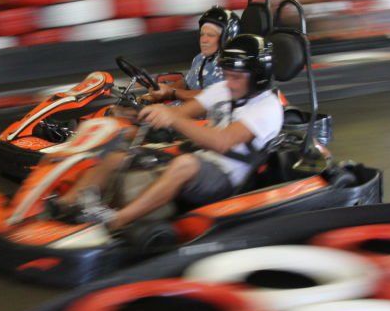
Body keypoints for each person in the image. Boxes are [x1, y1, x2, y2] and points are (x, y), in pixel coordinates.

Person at [58, 34, 283, 230]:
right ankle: (64, 205)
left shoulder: (267, 108)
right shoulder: (223, 89)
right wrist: (142, 113)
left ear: (258, 76)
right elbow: (182, 113)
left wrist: (172, 118)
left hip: (227, 177)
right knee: (118, 156)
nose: (230, 82)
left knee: (184, 164)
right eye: (227, 75)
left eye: (237, 77)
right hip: (201, 159)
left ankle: (117, 221)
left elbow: (222, 142)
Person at [144, 6, 237, 103]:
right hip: (181, 107)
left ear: (226, 39)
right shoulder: (200, 58)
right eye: (202, 34)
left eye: (211, 35)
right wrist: (160, 92)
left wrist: (172, 92)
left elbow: (210, 96)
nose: (203, 40)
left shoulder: (230, 68)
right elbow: (186, 82)